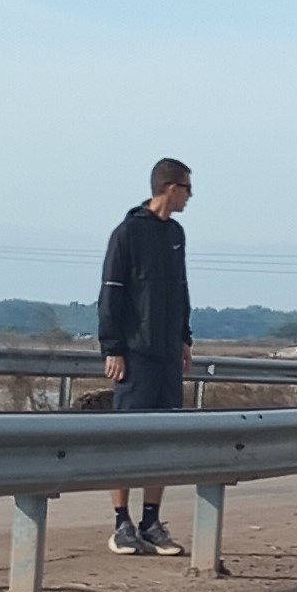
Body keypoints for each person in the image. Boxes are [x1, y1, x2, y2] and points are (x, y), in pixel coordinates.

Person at [98, 158, 194, 555]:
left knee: (165, 439)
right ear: (171, 188)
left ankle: (152, 522)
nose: (190, 197)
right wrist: (113, 348)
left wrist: (184, 338)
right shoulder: (127, 233)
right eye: (188, 188)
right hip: (134, 356)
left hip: (167, 354)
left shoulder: (176, 234)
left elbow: (181, 290)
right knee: (127, 439)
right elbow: (110, 294)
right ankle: (122, 525)